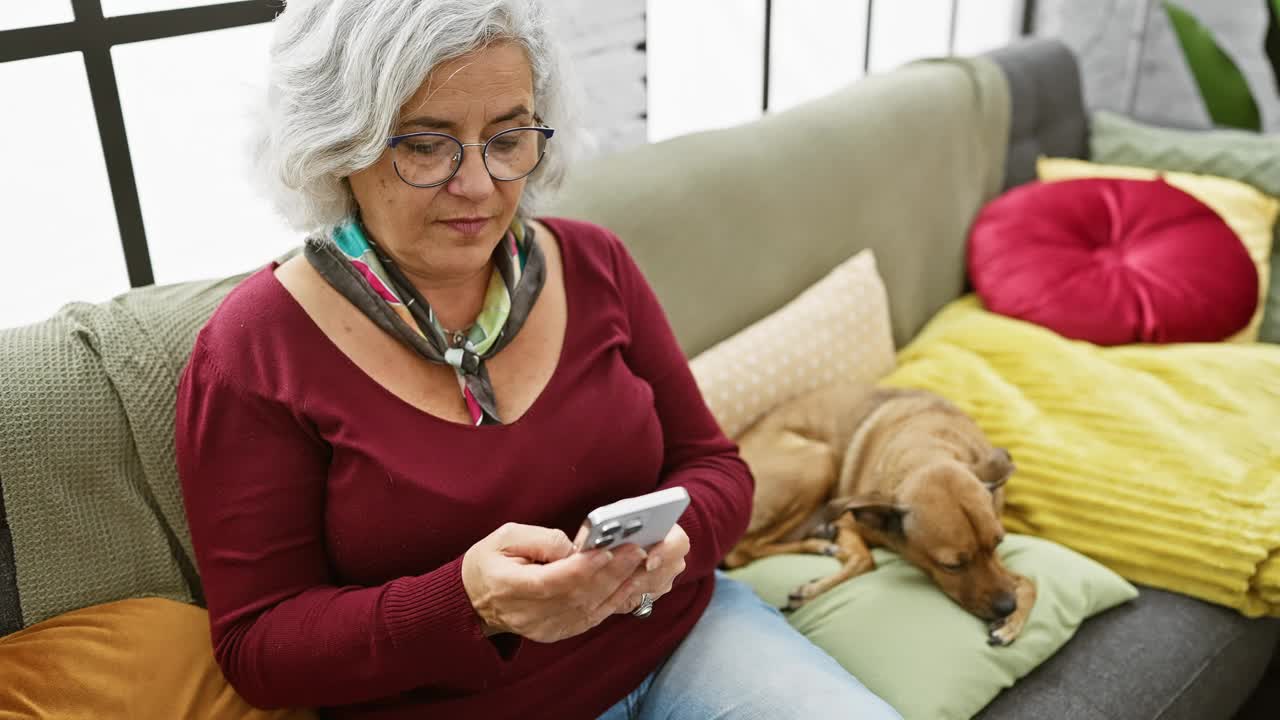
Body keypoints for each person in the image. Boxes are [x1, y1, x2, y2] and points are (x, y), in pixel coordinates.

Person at [175, 1, 902, 718]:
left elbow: (716, 467)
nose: (481, 185)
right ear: (339, 146)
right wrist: (470, 604)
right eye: (426, 144)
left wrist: (678, 540)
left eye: (508, 136)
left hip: (679, 636)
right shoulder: (254, 350)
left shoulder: (593, 262)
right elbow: (257, 649)